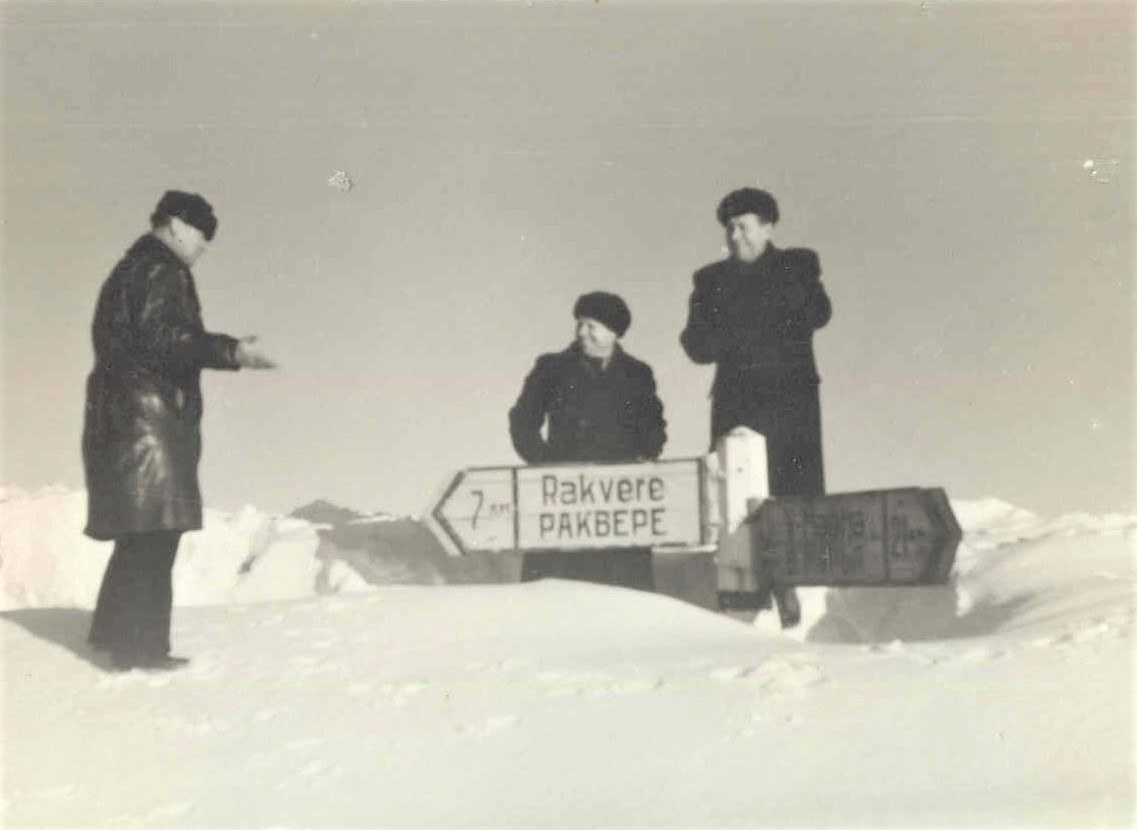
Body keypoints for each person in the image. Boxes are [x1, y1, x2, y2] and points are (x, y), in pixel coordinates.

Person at [83, 190, 276, 671]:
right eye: (200, 234)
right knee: (156, 533)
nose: (204, 246)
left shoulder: (131, 268)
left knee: (139, 533)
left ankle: (112, 634)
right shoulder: (160, 269)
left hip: (125, 418)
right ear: (173, 226)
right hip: (150, 422)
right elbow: (164, 338)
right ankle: (140, 650)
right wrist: (231, 351)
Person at [679, 187, 832, 627]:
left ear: (768, 228)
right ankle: (741, 601)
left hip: (790, 405)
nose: (735, 234)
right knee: (736, 501)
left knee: (792, 498)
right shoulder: (709, 281)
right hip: (737, 404)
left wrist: (761, 314)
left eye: (744, 225)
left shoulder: (797, 267)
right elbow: (695, 344)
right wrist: (737, 332)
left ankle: (792, 590)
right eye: (728, 227)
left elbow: (819, 314)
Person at [509, 291, 666, 589]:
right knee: (554, 601)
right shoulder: (551, 368)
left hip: (619, 509)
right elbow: (523, 421)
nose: (582, 332)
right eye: (579, 324)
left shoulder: (637, 374)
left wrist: (642, 460)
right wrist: (546, 465)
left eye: (591, 325)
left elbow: (654, 427)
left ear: (613, 332)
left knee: (626, 604)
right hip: (561, 505)